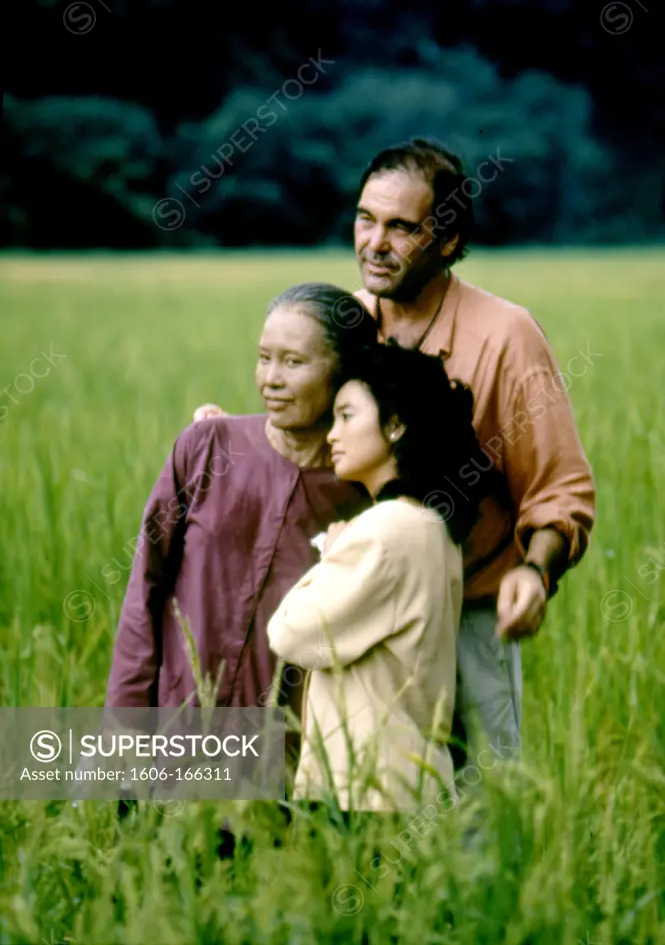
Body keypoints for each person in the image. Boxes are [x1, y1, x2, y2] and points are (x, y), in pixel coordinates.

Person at [197, 137, 596, 764]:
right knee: (353, 802)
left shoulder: (505, 336)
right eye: (365, 219)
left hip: (468, 614)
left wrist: (534, 570)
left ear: (446, 240)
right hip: (349, 608)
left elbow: (558, 491)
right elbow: (304, 437)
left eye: (401, 227)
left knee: (479, 812)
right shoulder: (348, 323)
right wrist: (226, 437)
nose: (374, 243)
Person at [105, 283, 376, 733]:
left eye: (293, 362)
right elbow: (144, 591)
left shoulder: (364, 495)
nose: (270, 378)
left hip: (290, 747)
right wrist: (125, 723)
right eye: (264, 357)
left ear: (346, 375)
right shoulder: (206, 447)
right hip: (178, 728)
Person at [267, 341, 499, 814]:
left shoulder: (385, 530)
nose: (333, 434)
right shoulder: (434, 527)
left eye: (348, 416)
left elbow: (290, 635)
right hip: (407, 786)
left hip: (365, 793)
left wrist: (329, 556)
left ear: (394, 426)